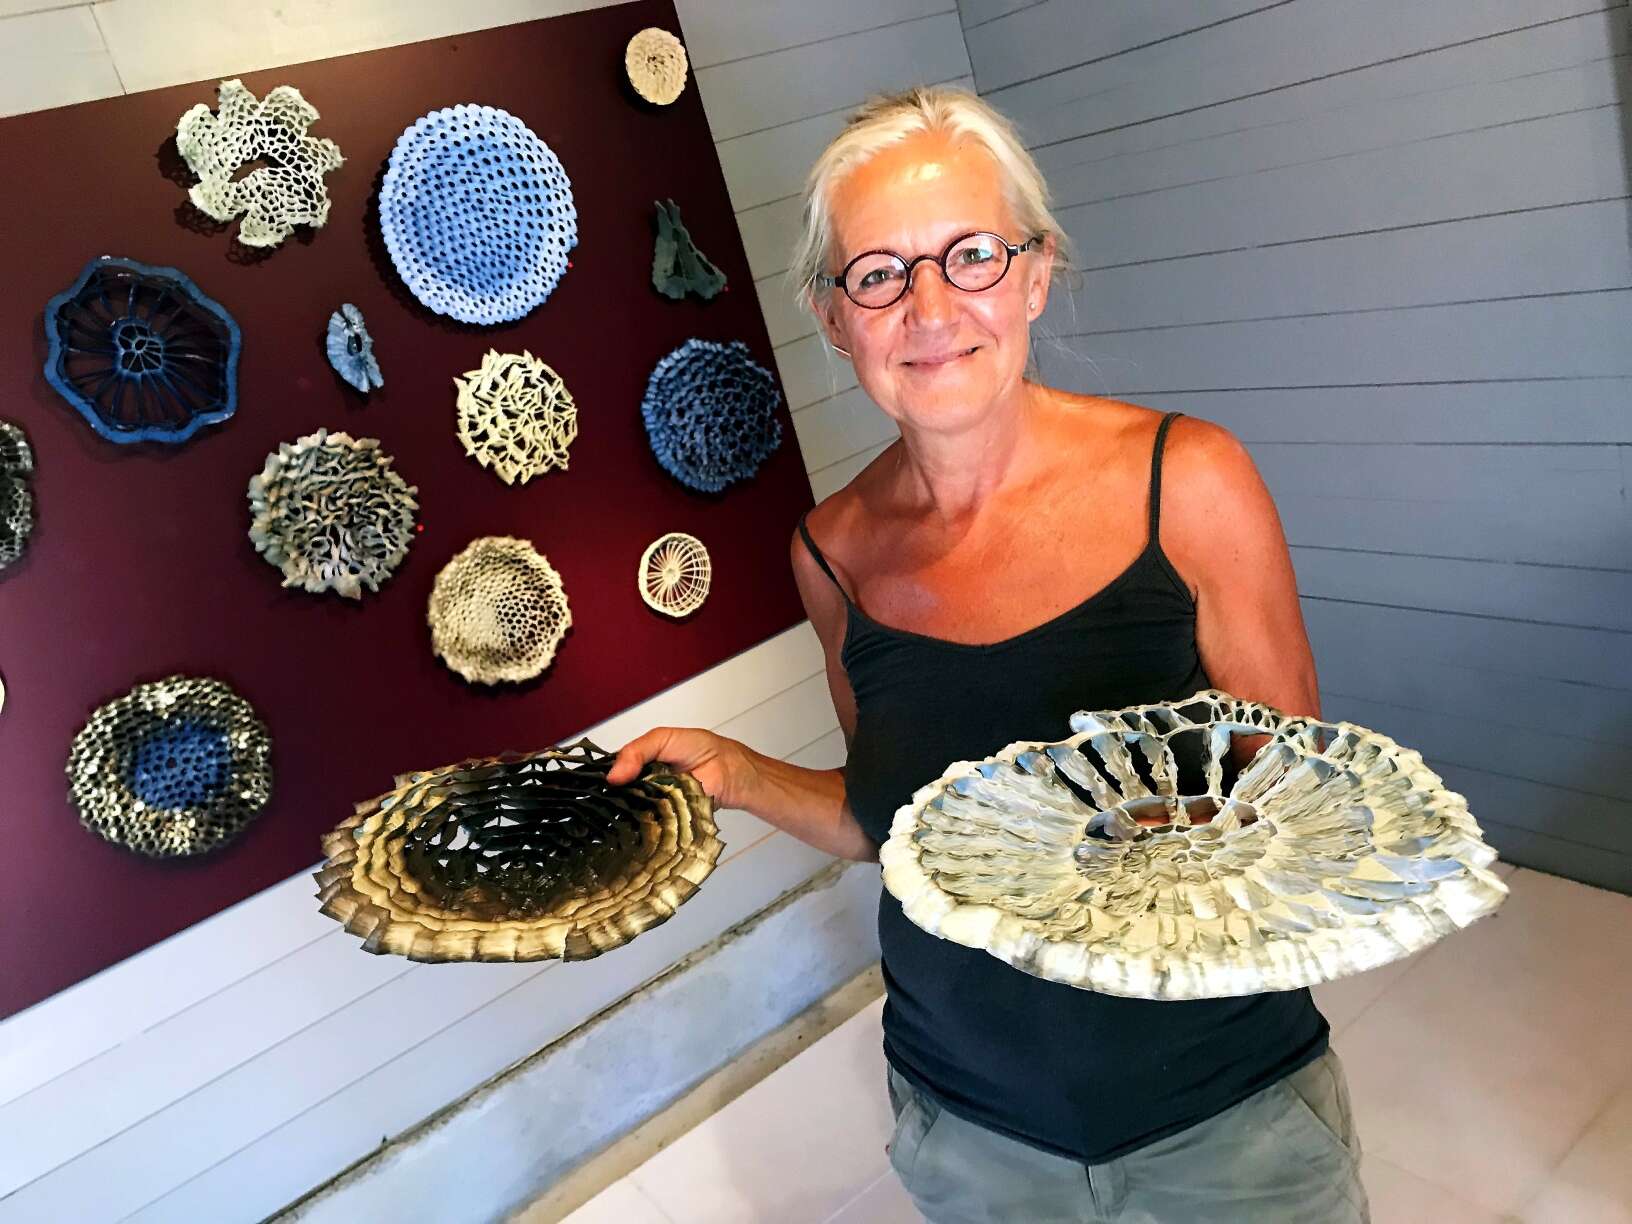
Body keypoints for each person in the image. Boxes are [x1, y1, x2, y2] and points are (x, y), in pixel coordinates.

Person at [608, 85, 1369, 1223]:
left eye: (971, 254)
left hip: (1221, 1113)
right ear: (834, 317)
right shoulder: (830, 553)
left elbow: (1297, 796)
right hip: (968, 1130)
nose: (929, 308)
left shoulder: (1189, 482)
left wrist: (1140, 840)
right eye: (879, 274)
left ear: (1035, 273)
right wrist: (737, 771)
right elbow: (900, 824)